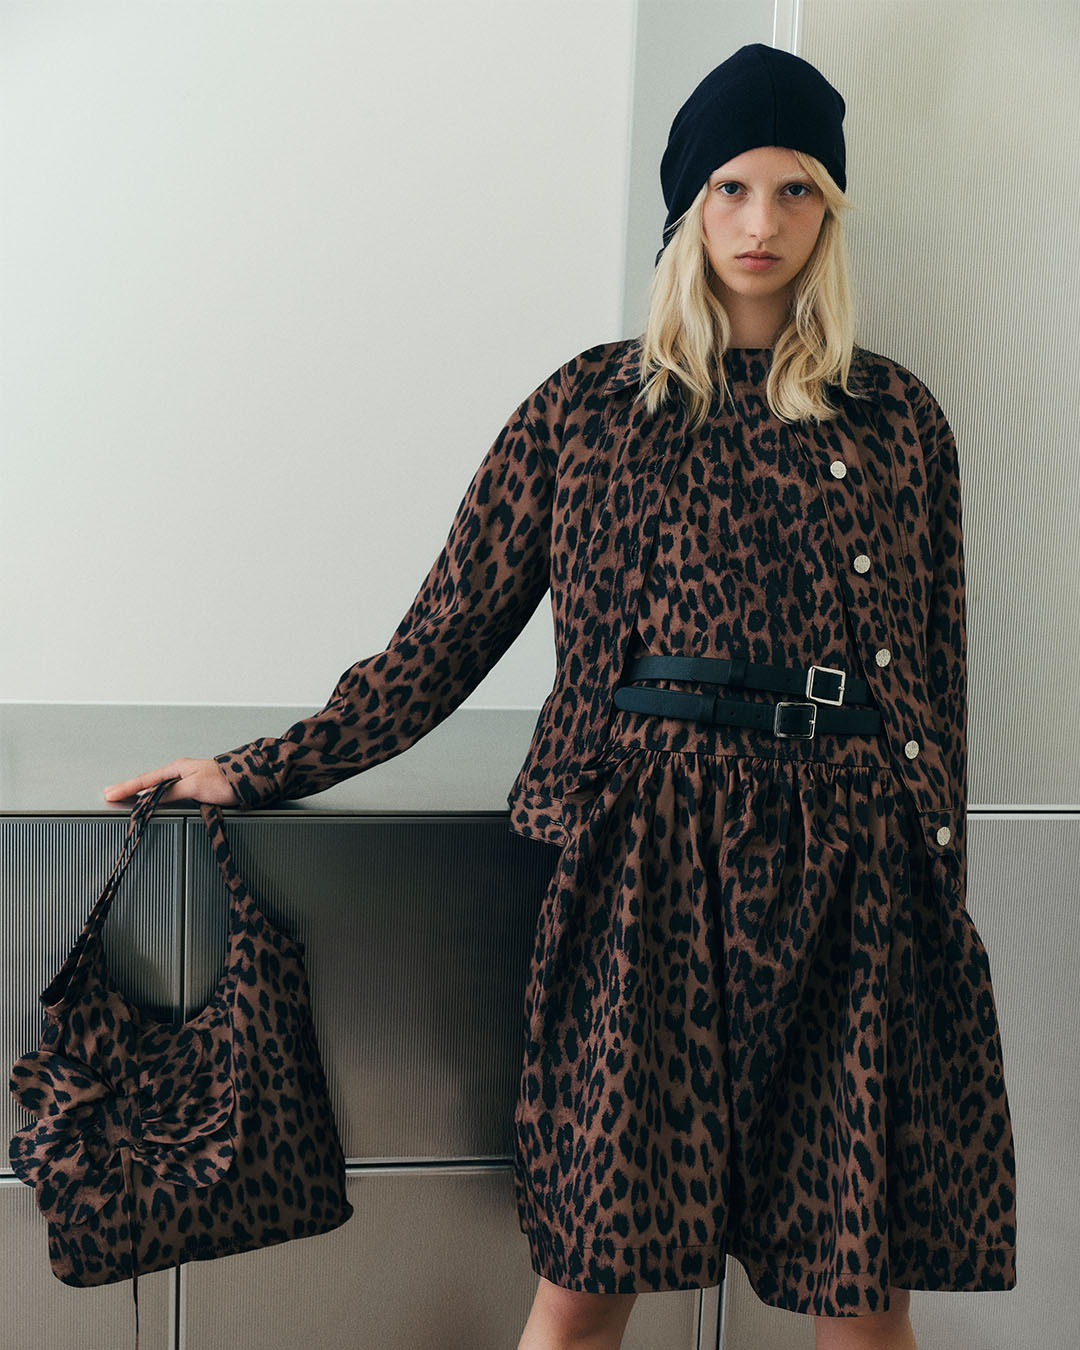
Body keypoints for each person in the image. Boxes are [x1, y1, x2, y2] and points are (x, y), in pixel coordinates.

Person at [105, 42, 1017, 1350]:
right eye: (730, 187)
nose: (761, 223)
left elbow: (935, 673)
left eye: (796, 190)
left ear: (831, 211)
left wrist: (941, 896)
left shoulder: (894, 418)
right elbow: (445, 631)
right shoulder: (590, 406)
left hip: (850, 873)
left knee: (860, 1298)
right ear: (687, 204)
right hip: (645, 864)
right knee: (587, 1281)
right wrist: (260, 767)